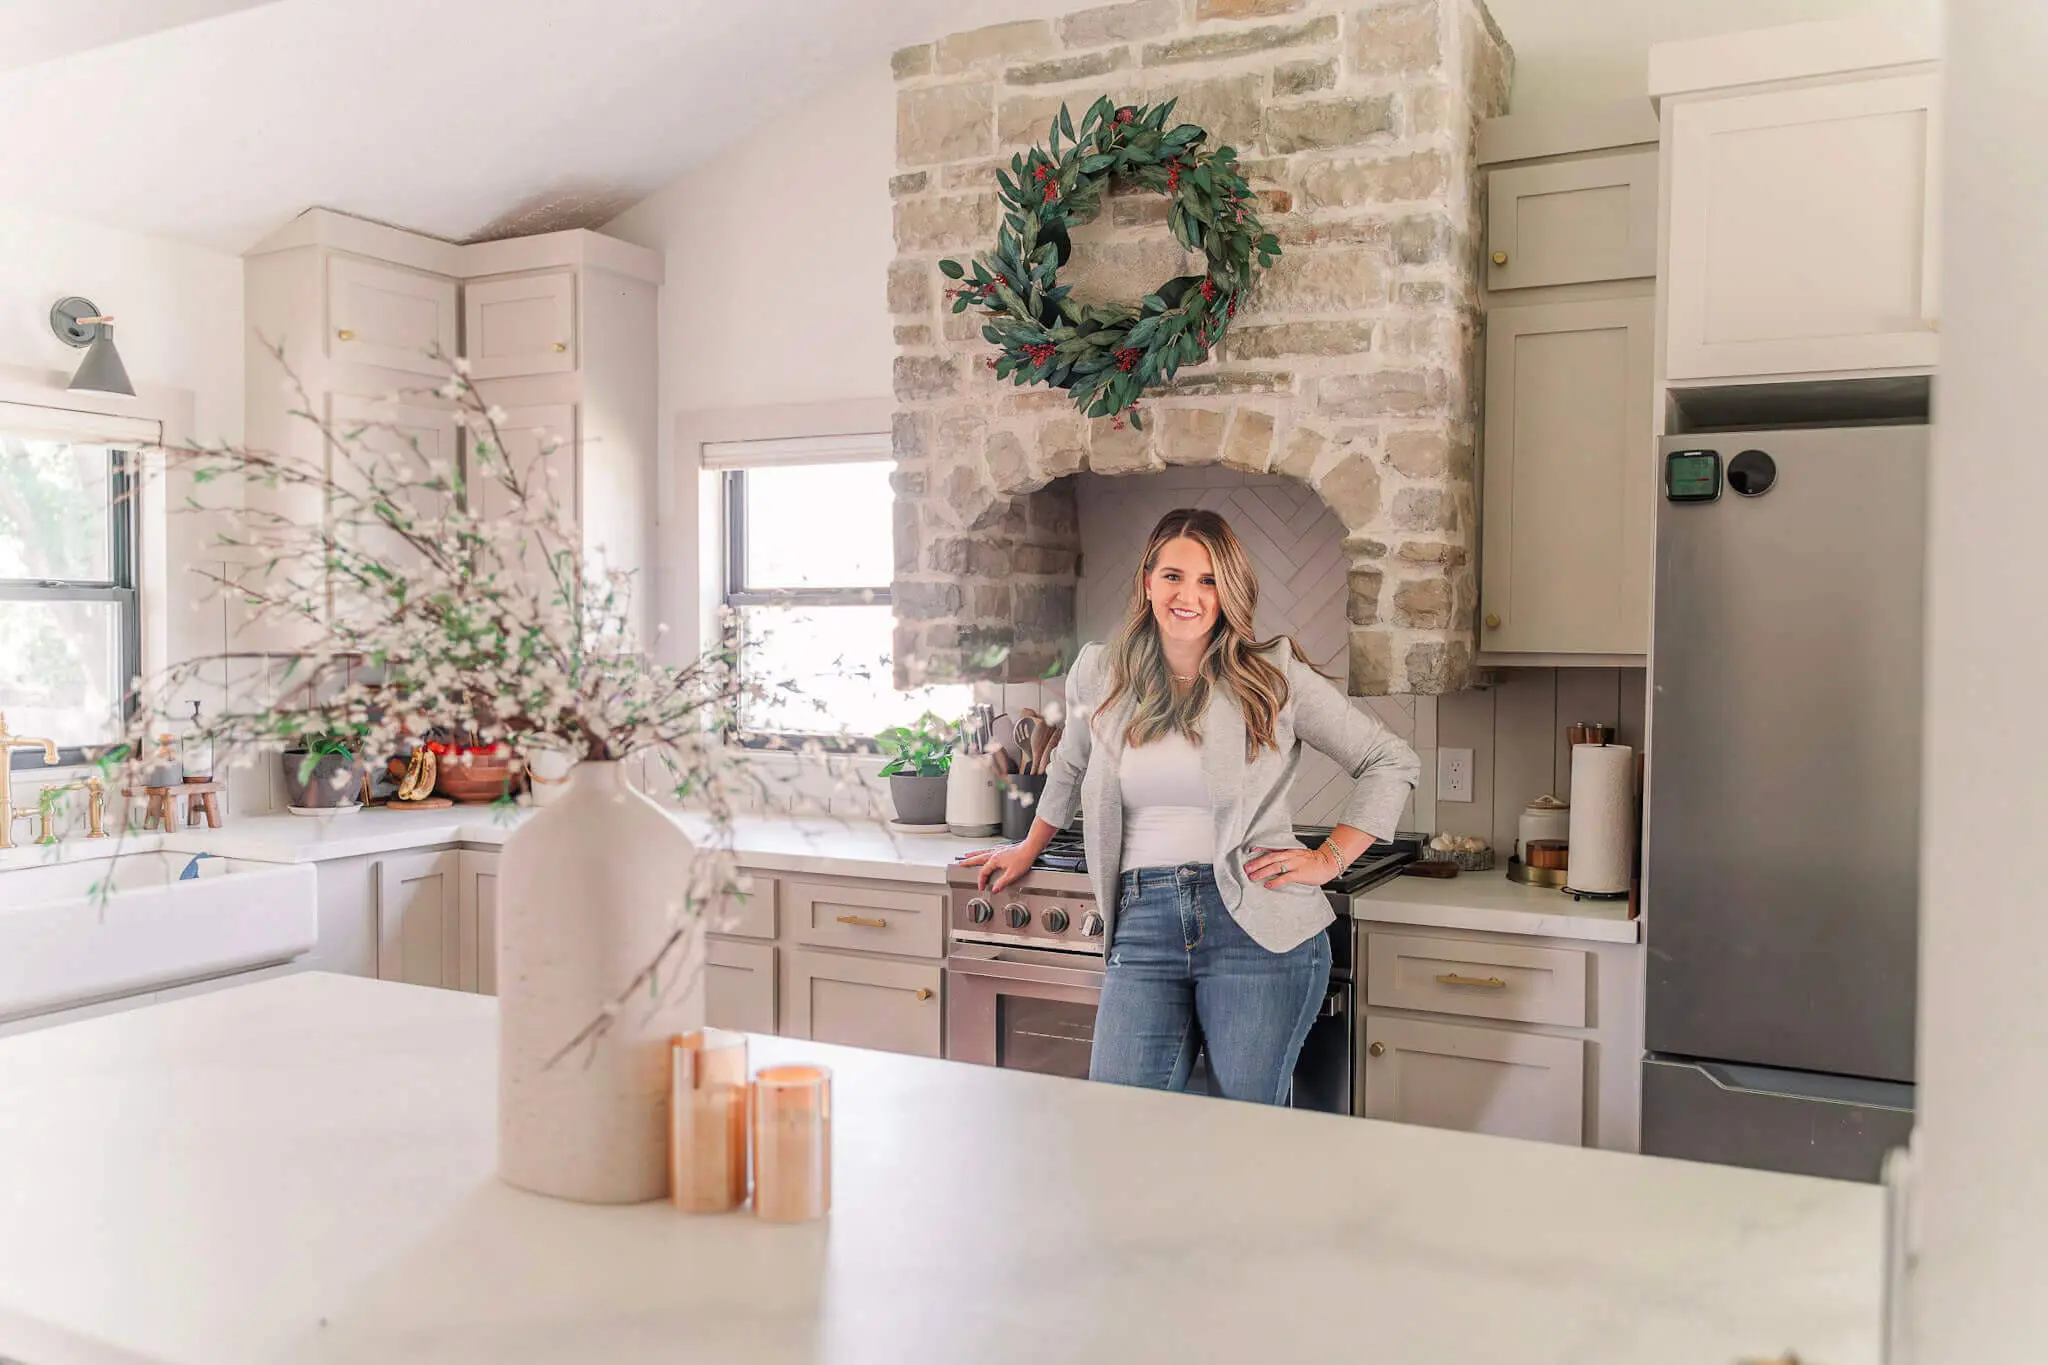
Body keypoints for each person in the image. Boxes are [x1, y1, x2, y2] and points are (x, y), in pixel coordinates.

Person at [963, 508, 1420, 1106]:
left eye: (1208, 580)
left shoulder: (1273, 674)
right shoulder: (1100, 672)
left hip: (1257, 927)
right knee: (1122, 1120)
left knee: (1243, 1139)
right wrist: (1030, 847)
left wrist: (1330, 858)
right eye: (1174, 575)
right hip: (1142, 920)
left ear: (1228, 591)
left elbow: (1390, 759)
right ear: (1147, 580)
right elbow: (1069, 766)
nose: (1190, 595)